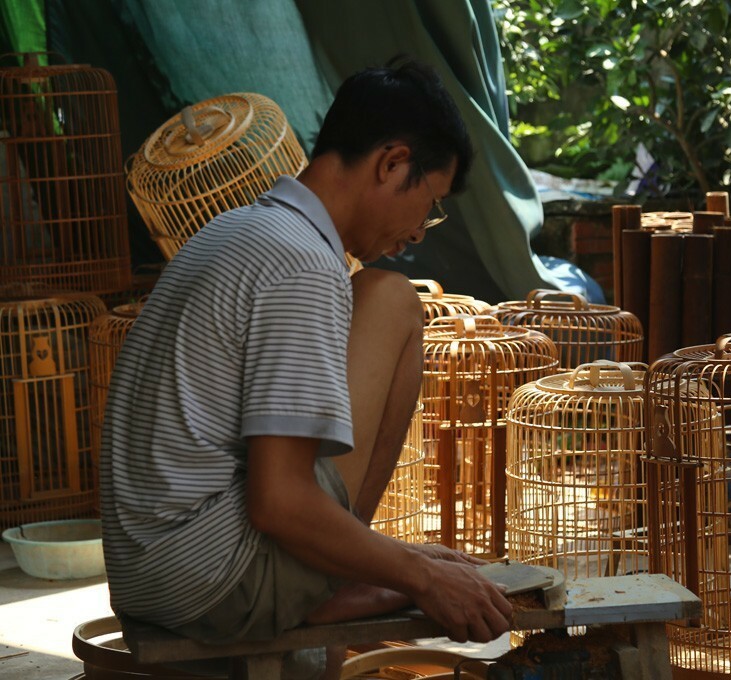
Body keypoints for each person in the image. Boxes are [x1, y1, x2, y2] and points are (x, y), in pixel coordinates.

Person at [100, 60, 513, 679]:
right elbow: (279, 502)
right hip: (210, 580)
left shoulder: (240, 229)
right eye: (428, 206)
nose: (416, 234)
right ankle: (328, 582)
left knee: (379, 290)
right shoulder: (302, 264)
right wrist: (419, 576)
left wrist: (391, 557)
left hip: (147, 574)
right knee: (392, 299)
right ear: (392, 162)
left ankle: (337, 570)